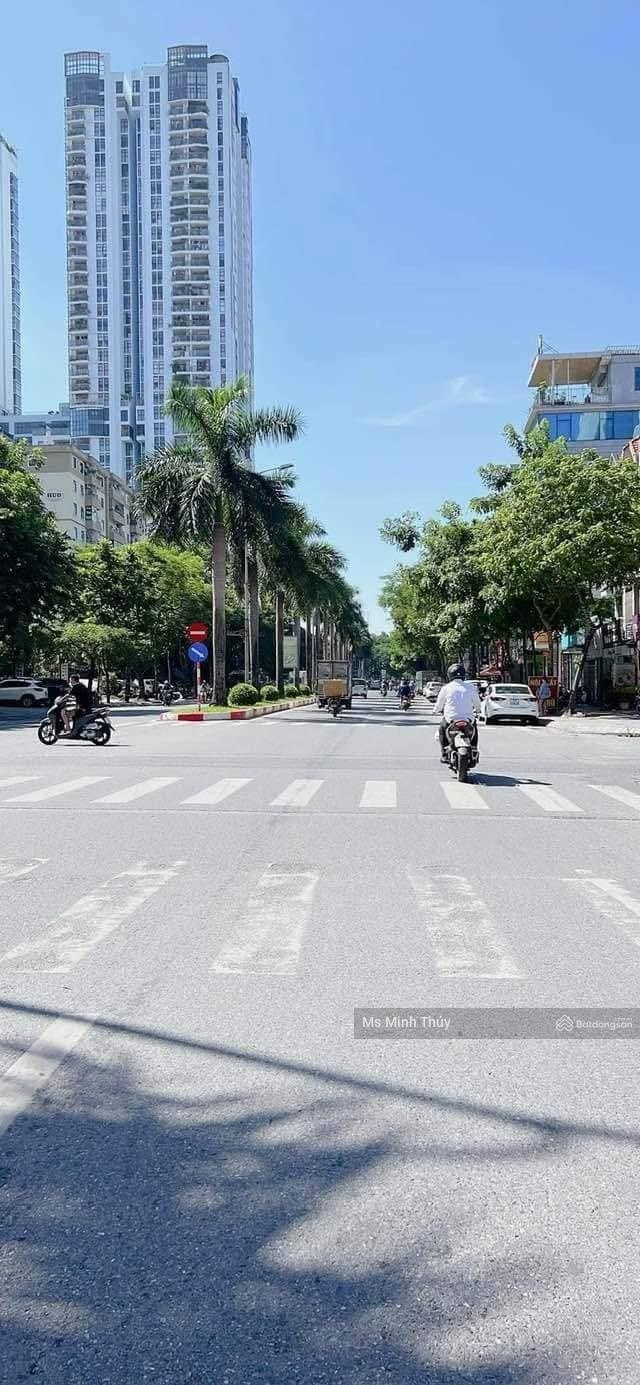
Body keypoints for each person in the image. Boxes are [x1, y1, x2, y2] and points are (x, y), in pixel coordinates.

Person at [433, 663, 482, 762]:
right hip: (468, 719)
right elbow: (477, 702)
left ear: (449, 675)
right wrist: (478, 711)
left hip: (451, 719)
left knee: (442, 729)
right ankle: (474, 748)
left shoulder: (446, 688)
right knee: (474, 728)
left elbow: (439, 704)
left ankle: (444, 753)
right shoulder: (470, 687)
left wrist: (435, 711)